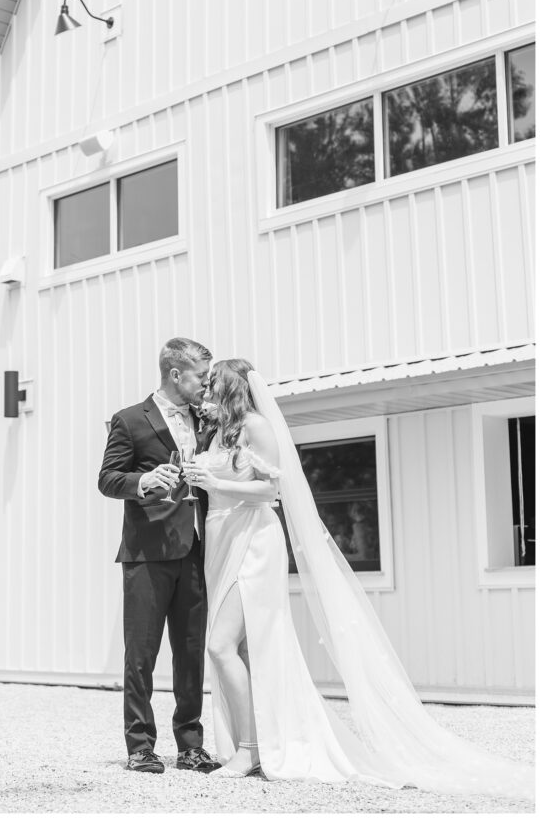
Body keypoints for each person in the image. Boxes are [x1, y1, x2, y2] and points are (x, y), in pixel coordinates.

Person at [185, 359, 534, 799]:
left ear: (232, 387)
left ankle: (251, 748)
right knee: (241, 647)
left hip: (252, 539)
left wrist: (215, 483)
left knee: (219, 645)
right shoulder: (221, 431)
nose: (207, 392)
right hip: (219, 539)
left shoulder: (256, 426)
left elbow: (269, 491)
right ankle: (255, 739)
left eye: (213, 383)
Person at [98, 337, 220, 775]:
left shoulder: (205, 421)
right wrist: (144, 481)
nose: (205, 385)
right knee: (142, 652)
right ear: (175, 374)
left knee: (191, 651)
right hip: (147, 552)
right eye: (200, 377)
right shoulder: (130, 420)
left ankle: (190, 745)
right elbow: (108, 479)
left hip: (196, 550)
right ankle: (140, 747)